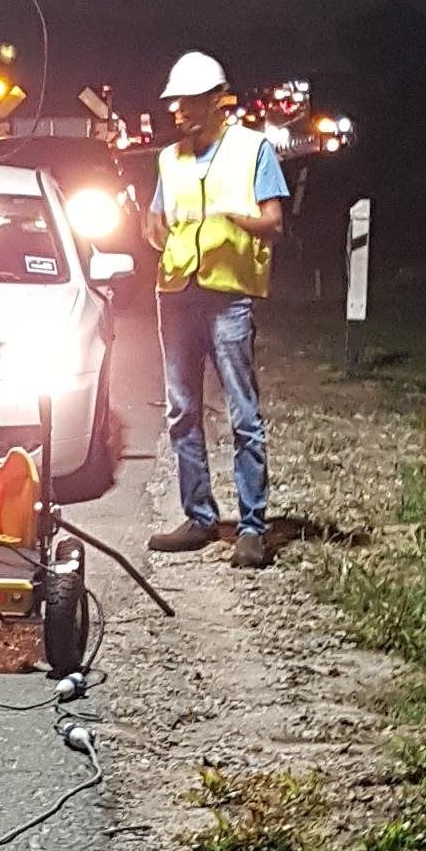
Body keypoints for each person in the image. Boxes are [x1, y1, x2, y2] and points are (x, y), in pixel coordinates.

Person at [143, 49, 290, 570]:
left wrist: (234, 219)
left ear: (213, 101)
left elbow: (273, 220)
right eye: (174, 101)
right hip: (177, 294)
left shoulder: (253, 151)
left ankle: (252, 527)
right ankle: (199, 517)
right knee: (182, 410)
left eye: (184, 100)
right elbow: (155, 220)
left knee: (243, 414)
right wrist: (156, 233)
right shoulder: (169, 158)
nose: (176, 110)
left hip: (228, 296)